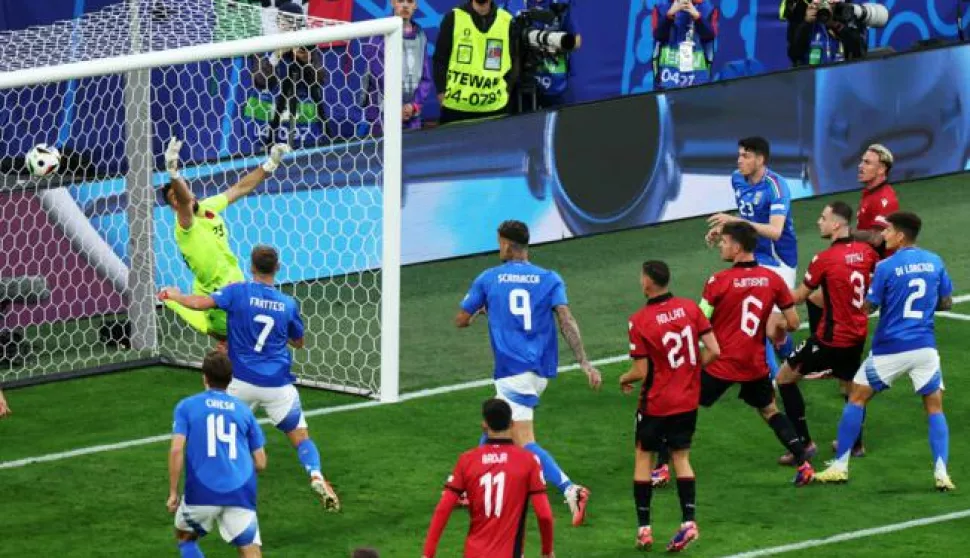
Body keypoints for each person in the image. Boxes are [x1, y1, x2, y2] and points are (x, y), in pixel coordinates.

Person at [159, 245, 340, 511]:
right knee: (301, 437)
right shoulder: (288, 304)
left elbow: (199, 303)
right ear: (277, 268)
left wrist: (174, 295)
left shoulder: (237, 291)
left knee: (220, 435)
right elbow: (299, 342)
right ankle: (315, 474)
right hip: (278, 386)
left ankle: (212, 487)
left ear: (251, 267)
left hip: (240, 381)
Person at [456, 220, 601, 526]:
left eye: (499, 243)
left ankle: (570, 489)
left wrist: (482, 311)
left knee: (523, 440)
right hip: (540, 371)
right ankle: (468, 487)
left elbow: (461, 320)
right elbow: (567, 321)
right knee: (495, 426)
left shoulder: (489, 278)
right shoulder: (549, 278)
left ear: (507, 245)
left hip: (513, 370)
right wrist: (584, 362)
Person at [815, 212, 956, 491]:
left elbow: (870, 307)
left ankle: (839, 466)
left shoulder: (886, 267)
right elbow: (947, 302)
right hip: (925, 347)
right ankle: (942, 472)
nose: (884, 235)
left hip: (890, 347)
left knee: (856, 396)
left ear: (901, 235)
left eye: (888, 230)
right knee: (934, 407)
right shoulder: (935, 261)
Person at [700, 222, 814, 485]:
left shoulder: (717, 281)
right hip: (754, 362)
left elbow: (700, 322)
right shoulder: (772, 280)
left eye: (725, 242)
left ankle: (660, 467)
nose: (721, 246)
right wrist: (777, 332)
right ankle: (803, 462)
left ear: (738, 248)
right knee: (769, 410)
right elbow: (794, 322)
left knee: (678, 404)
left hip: (722, 363)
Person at [619, 260, 720, 552]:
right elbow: (714, 349)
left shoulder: (639, 320)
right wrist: (689, 370)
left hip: (656, 403)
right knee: (681, 457)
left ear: (649, 282)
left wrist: (623, 378)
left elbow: (642, 372)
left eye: (641, 277)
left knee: (643, 458)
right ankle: (689, 522)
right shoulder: (690, 308)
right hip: (687, 399)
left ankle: (644, 530)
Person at [775, 202, 878, 465]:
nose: (819, 222)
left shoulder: (824, 259)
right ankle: (856, 445)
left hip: (829, 339)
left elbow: (798, 297)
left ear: (836, 224)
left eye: (823, 218)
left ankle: (804, 444)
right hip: (856, 335)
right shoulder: (867, 253)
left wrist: (771, 291)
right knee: (849, 386)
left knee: (784, 379)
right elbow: (875, 287)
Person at [161, 138, 291, 341]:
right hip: (216, 294)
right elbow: (185, 200)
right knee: (234, 340)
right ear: (174, 207)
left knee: (239, 342)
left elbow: (240, 188)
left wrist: (270, 164)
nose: (181, 199)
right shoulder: (184, 228)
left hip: (237, 283)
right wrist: (173, 172)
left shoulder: (208, 207)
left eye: (178, 193)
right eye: (174, 199)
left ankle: (175, 301)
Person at [707, 137, 797, 380]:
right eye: (739, 155)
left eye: (745, 156)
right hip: (752, 256)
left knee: (772, 327)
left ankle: (784, 369)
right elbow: (747, 214)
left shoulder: (776, 187)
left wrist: (735, 222)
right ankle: (780, 372)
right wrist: (726, 230)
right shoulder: (737, 179)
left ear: (761, 159)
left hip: (779, 261)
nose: (739, 161)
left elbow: (775, 231)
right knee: (759, 322)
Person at [422, 398, 555, 558]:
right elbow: (544, 515)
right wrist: (547, 551)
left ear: (484, 425)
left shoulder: (467, 460)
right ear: (512, 423)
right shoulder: (529, 461)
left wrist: (428, 553)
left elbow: (443, 509)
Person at [168, 350, 267, 558]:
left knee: (185, 537)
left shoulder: (186, 406)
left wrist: (173, 493)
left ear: (204, 376)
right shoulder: (244, 410)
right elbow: (260, 462)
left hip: (202, 492)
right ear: (230, 379)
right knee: (250, 550)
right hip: (241, 492)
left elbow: (177, 449)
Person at [433, 0, 519, 124]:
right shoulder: (453, 17)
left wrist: (507, 90)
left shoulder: (507, 21)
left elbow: (515, 61)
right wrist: (441, 92)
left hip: (495, 108)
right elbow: (440, 59)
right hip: (456, 108)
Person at [361, 0, 433, 131]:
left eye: (410, 1)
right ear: (392, 2)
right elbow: (378, 77)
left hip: (411, 116)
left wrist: (413, 106)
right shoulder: (379, 33)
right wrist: (396, 108)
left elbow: (425, 77)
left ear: (415, 5)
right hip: (381, 116)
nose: (405, 5)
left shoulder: (421, 36)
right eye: (400, 1)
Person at [504, 0, 582, 109]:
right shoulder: (513, 4)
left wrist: (555, 46)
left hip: (554, 81)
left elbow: (577, 41)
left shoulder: (560, 5)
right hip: (520, 79)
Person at [652, 0, 718, 90]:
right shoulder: (660, 7)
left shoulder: (708, 8)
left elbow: (709, 36)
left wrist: (697, 17)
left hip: (698, 77)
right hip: (668, 77)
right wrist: (669, 15)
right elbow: (658, 36)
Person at [783, 0, 866, 66]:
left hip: (842, 77)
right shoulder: (801, 17)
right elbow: (794, 55)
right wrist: (806, 23)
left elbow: (859, 51)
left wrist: (834, 24)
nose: (824, 3)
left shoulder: (846, 14)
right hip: (811, 78)